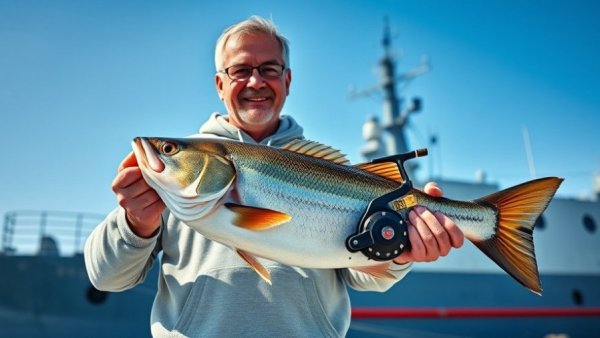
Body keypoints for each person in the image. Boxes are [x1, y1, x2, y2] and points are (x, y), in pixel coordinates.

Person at [84, 16, 464, 337]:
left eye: (269, 69)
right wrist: (135, 223)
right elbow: (106, 278)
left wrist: (398, 253)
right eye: (240, 71)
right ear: (220, 84)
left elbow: (369, 277)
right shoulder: (171, 181)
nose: (255, 82)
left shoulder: (329, 170)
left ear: (287, 80)